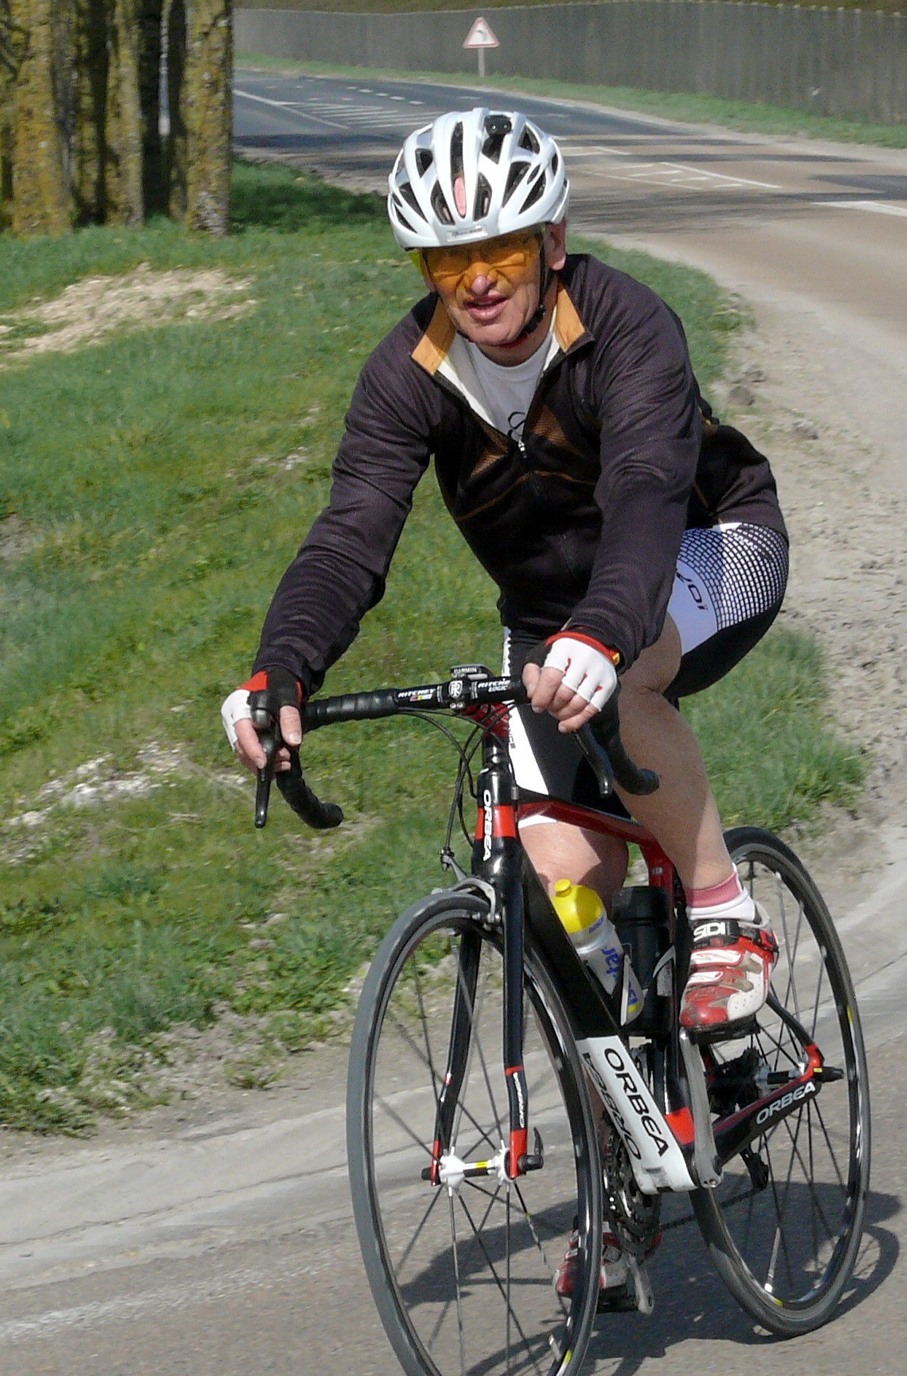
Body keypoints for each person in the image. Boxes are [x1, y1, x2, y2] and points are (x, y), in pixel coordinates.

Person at [222, 108, 789, 1294]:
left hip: (702, 551)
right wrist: (284, 669)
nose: (474, 280)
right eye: (446, 258)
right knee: (557, 873)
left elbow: (646, 490)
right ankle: (635, 1114)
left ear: (551, 242)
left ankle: (726, 913)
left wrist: (604, 629)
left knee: (630, 681)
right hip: (549, 621)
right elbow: (351, 534)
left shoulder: (627, 324)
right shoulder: (410, 372)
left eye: (497, 250)